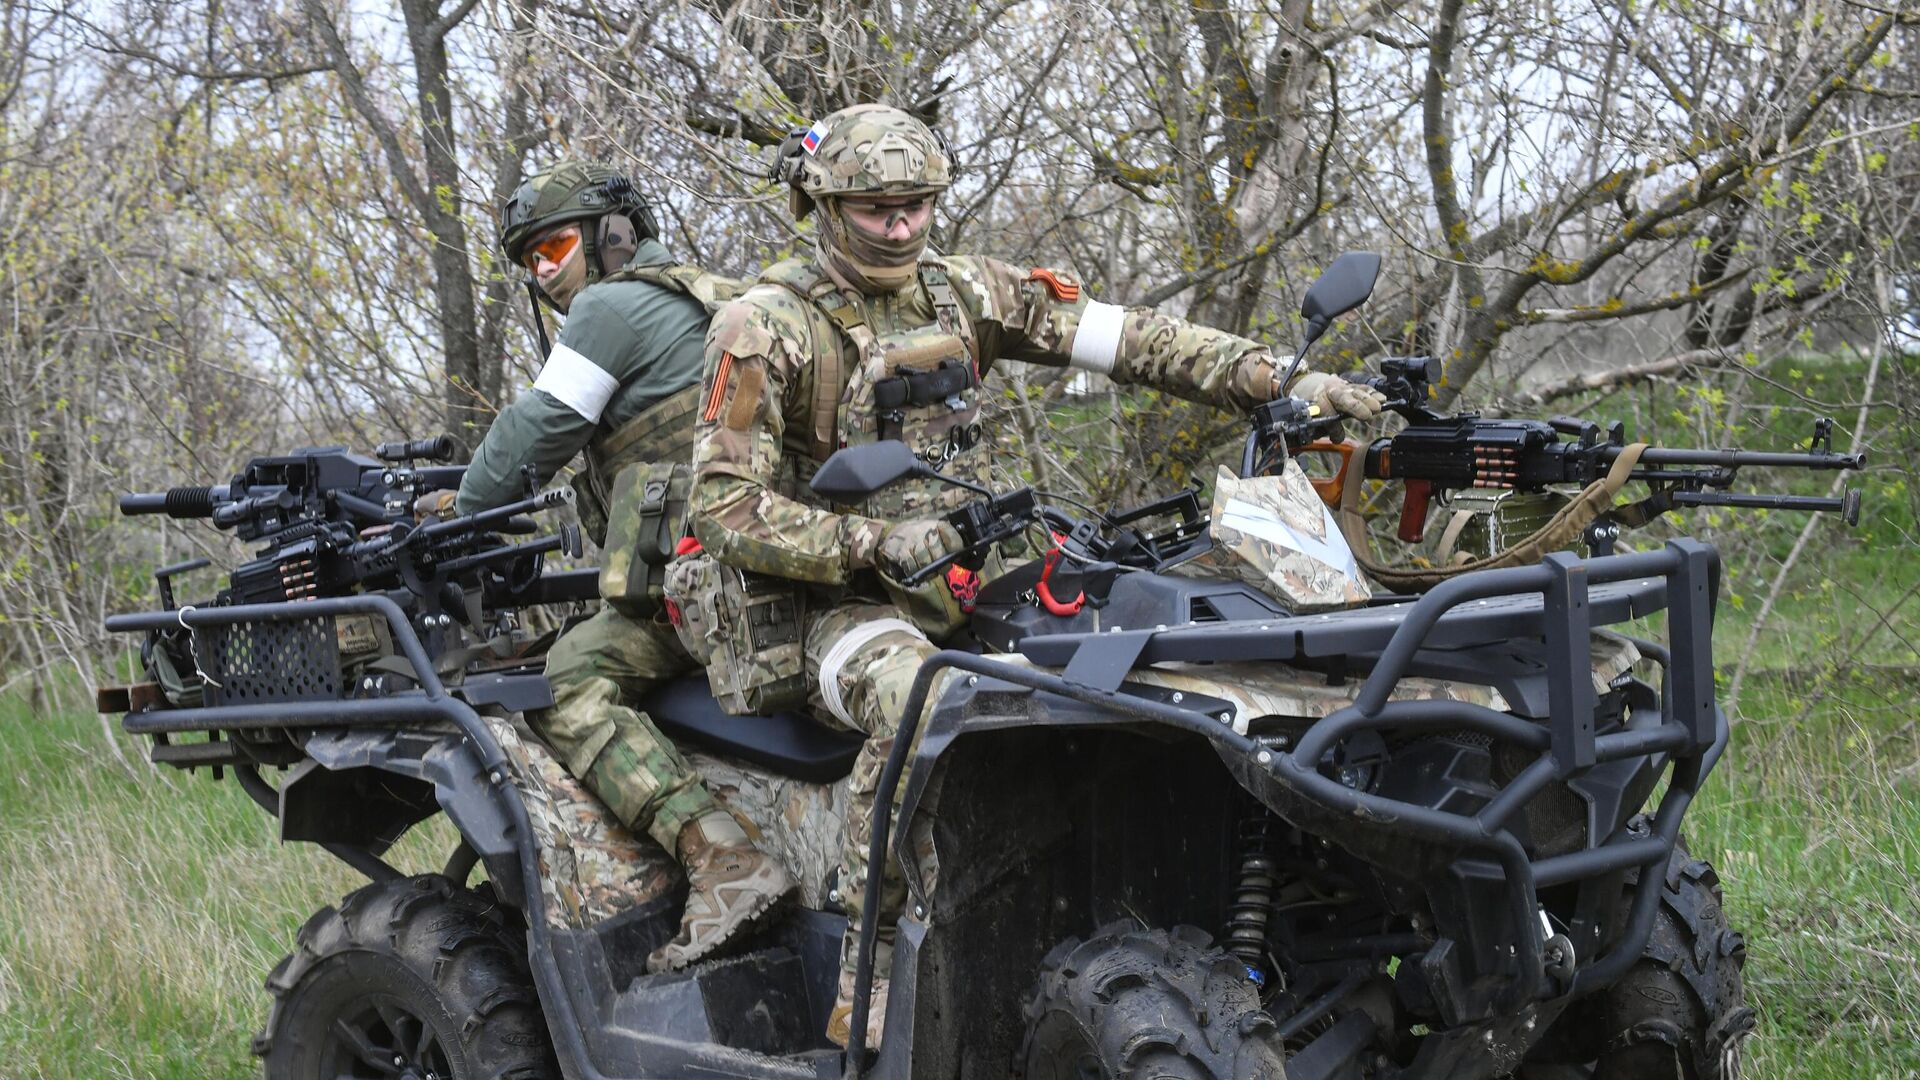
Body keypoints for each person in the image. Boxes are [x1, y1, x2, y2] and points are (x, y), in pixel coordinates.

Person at [682, 104, 1386, 1047]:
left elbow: (1133, 339)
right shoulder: (762, 327)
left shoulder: (967, 292)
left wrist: (1275, 382)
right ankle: (871, 959)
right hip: (830, 606)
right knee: (919, 697)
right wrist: (864, 546)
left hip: (959, 577)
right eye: (876, 209)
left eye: (918, 206)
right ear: (824, 201)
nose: (901, 227)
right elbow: (720, 507)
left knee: (1148, 659)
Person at [459, 160, 792, 973]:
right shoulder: (707, 295)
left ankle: (721, 860)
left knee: (566, 671)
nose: (544, 270)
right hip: (776, 566)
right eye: (529, 257)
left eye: (557, 245)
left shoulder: (609, 309)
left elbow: (535, 434)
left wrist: (455, 511)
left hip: (710, 592)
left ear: (614, 236)